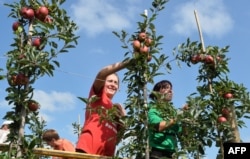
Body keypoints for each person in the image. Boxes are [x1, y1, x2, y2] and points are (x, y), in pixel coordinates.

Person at [75, 60, 129, 157]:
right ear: (103, 83)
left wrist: (123, 124)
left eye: (115, 83)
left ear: (118, 87)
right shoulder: (98, 95)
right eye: (110, 81)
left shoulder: (115, 110)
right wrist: (126, 63)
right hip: (88, 150)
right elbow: (101, 74)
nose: (113, 84)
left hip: (106, 155)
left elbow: (117, 139)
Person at [148, 80, 182, 159]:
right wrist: (177, 118)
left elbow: (181, 133)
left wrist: (188, 119)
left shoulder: (173, 112)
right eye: (166, 88)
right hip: (157, 152)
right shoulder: (153, 108)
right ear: (158, 92)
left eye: (171, 88)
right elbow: (158, 126)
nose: (171, 91)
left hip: (172, 152)